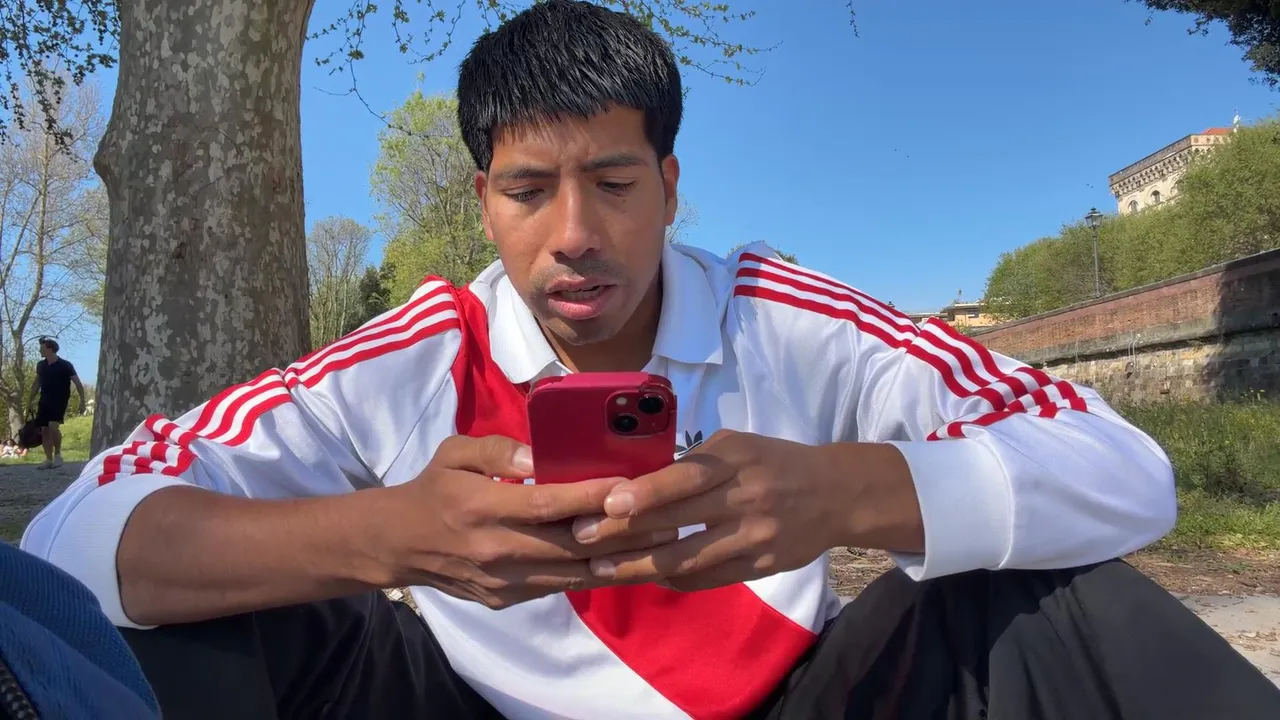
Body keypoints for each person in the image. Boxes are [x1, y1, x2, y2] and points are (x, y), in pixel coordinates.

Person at [19, 2, 1280, 718]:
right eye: (528, 191)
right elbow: (69, 544)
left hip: (795, 702)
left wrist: (848, 494)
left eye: (615, 183)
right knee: (188, 619)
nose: (574, 235)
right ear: (482, 203)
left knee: (1043, 598)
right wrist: (387, 535)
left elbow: (1122, 465)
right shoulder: (415, 349)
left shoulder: (787, 314)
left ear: (671, 187)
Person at [28, 337, 86, 470]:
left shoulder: (65, 365)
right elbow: (36, 384)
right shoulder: (41, 365)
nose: (40, 351)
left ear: (50, 349)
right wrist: (29, 401)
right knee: (44, 429)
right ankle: (48, 460)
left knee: (53, 426)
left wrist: (82, 402)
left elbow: (78, 384)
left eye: (42, 348)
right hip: (44, 400)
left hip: (60, 400)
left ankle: (58, 454)